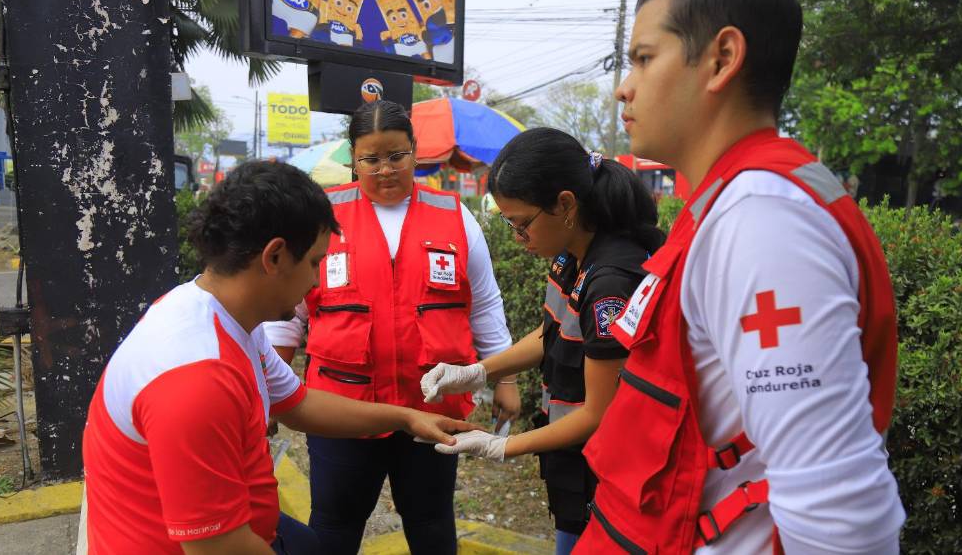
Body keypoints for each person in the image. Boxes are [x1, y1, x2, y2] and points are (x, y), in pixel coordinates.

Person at [574, 0, 906, 553]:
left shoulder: (761, 221)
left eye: (644, 59)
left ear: (722, 59)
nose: (623, 90)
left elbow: (839, 517)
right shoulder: (731, 203)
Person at [80, 161, 472, 555]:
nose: (318, 281)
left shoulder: (222, 313)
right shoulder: (196, 380)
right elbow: (219, 547)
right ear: (275, 257)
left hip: (249, 525)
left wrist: (404, 417)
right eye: (316, 262)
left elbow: (298, 403)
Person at [263, 100, 514, 555]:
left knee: (431, 522)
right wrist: (267, 395)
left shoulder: (455, 216)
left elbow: (484, 304)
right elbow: (288, 313)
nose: (385, 169)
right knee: (334, 527)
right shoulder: (322, 217)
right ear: (352, 159)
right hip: (341, 410)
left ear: (415, 152)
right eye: (371, 159)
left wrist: (506, 378)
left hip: (430, 407)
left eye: (396, 156)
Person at [421, 127, 666, 554]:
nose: (519, 238)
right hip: (574, 465)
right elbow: (551, 334)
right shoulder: (572, 256)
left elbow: (599, 413)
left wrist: (504, 446)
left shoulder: (610, 284)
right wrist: (478, 371)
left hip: (608, 475)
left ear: (565, 205)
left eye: (522, 224)